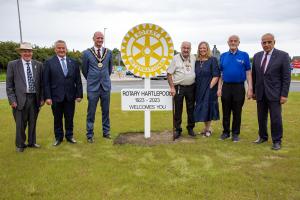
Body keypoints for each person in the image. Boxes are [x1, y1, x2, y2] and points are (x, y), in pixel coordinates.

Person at [252, 33, 291, 150]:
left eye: (269, 42)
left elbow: (286, 77)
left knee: (275, 118)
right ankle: (262, 136)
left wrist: (284, 94)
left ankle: (277, 141)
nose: (266, 44)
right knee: (261, 117)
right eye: (264, 42)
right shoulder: (257, 56)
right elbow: (255, 76)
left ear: (274, 42)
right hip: (260, 93)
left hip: (275, 94)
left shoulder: (283, 56)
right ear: (261, 43)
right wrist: (254, 91)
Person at [6, 42, 44, 152]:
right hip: (19, 99)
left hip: (34, 98)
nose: (27, 53)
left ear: (32, 53)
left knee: (33, 122)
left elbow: (41, 84)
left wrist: (42, 98)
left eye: (29, 51)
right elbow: (9, 85)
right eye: (25, 51)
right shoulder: (13, 64)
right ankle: (20, 144)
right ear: (21, 53)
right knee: (20, 124)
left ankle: (32, 142)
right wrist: (12, 100)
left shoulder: (38, 65)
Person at [43, 40, 83, 146]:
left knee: (69, 118)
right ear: (55, 49)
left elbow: (78, 80)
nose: (61, 50)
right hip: (55, 97)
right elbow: (46, 82)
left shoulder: (73, 62)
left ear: (66, 49)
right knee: (57, 119)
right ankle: (58, 138)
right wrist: (47, 97)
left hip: (70, 96)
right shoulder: (49, 62)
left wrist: (79, 94)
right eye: (59, 48)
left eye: (63, 48)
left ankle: (69, 136)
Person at [218, 35, 252, 142]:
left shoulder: (244, 55)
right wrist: (219, 88)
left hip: (239, 87)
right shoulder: (223, 56)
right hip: (226, 87)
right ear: (228, 43)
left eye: (235, 41)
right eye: (231, 41)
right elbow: (220, 74)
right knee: (226, 111)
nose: (233, 42)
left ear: (238, 43)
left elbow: (248, 73)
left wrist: (250, 88)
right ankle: (226, 132)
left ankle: (235, 134)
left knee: (237, 111)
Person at [82, 31, 113, 143]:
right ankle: (90, 134)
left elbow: (109, 69)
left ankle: (106, 132)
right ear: (93, 39)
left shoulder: (108, 52)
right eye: (98, 38)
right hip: (93, 87)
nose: (100, 40)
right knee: (91, 112)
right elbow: (84, 70)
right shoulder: (86, 53)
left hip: (105, 86)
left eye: (101, 38)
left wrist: (103, 79)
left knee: (106, 111)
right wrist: (93, 79)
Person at [167, 41, 196, 139]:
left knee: (191, 109)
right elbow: (169, 74)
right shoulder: (175, 59)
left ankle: (190, 128)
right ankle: (178, 129)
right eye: (184, 48)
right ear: (181, 48)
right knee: (178, 110)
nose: (186, 50)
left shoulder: (193, 58)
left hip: (191, 87)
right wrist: (172, 87)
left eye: (188, 48)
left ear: (190, 49)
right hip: (179, 87)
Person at [194, 41, 220, 137]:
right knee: (202, 108)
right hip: (198, 88)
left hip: (209, 88)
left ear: (207, 48)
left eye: (204, 48)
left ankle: (208, 129)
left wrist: (209, 87)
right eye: (200, 48)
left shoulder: (212, 60)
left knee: (208, 108)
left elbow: (216, 75)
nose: (202, 50)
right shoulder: (196, 61)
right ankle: (205, 128)